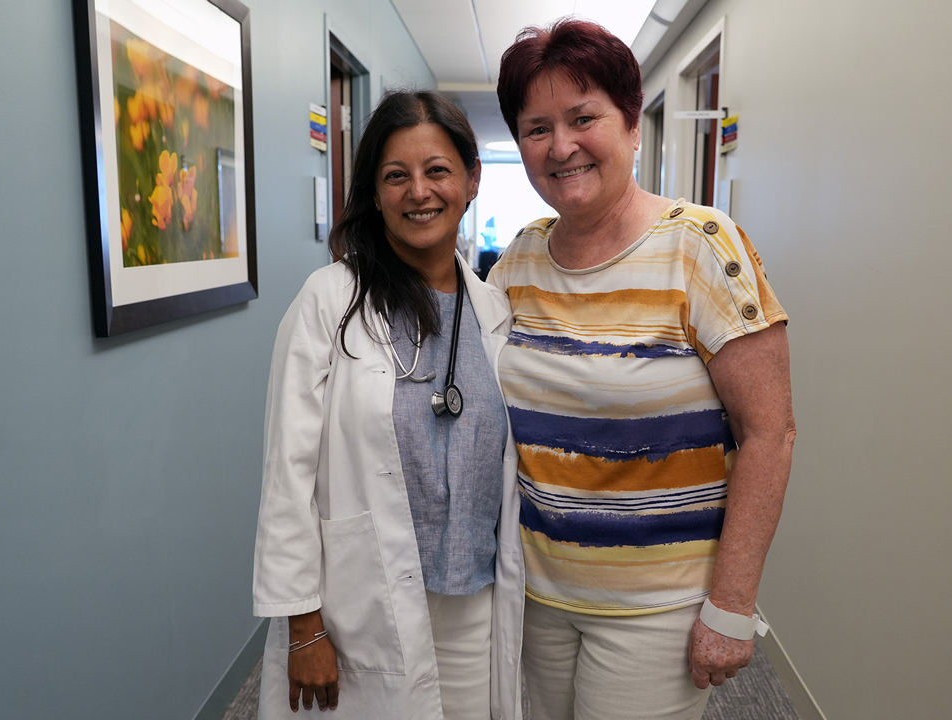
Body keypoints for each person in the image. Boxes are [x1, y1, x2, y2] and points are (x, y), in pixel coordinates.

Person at [487, 19, 796, 720]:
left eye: (582, 118)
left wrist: (732, 604)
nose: (560, 146)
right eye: (537, 128)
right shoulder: (521, 258)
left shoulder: (701, 247)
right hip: (537, 593)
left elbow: (770, 432)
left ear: (631, 124)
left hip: (658, 608)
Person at [252, 91, 523, 720]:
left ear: (471, 180)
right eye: (395, 176)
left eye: (437, 171)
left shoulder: (495, 313)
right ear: (375, 194)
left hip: (473, 610)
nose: (418, 192)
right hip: (357, 609)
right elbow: (286, 474)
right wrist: (304, 627)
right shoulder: (329, 301)